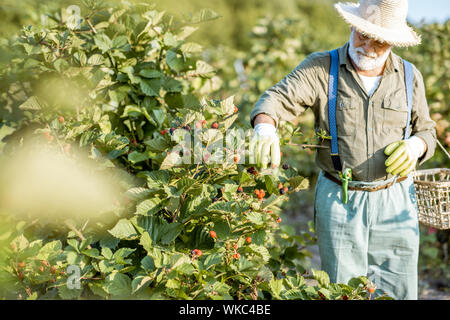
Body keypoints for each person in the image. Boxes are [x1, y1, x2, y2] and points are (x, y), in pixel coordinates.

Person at [249, 0, 437, 300]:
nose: (370, 46)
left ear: (393, 41)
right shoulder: (322, 68)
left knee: (398, 288)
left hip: (396, 198)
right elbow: (276, 98)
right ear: (353, 25)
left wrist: (416, 145)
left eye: (381, 41)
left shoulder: (409, 76)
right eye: (364, 34)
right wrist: (265, 127)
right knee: (343, 290)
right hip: (340, 197)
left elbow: (426, 129)